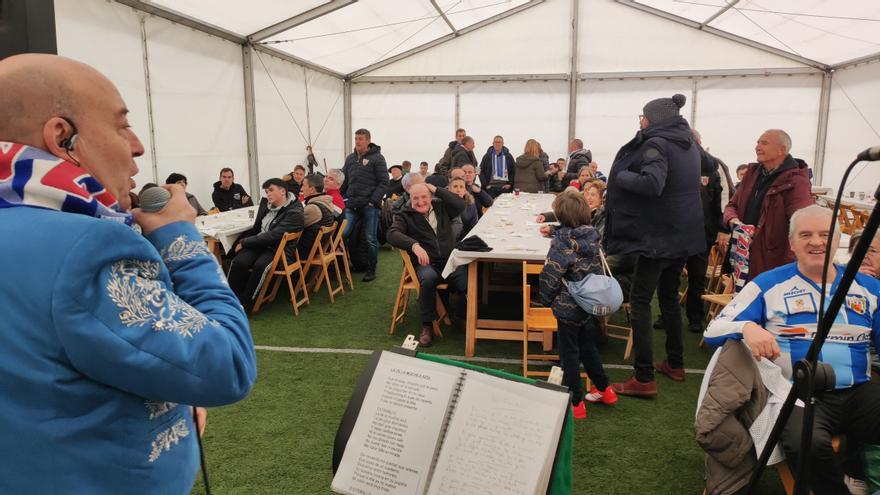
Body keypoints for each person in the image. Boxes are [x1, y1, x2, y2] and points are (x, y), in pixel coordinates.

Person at [0, 54, 256, 494]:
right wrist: (183, 240)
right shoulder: (87, 248)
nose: (137, 145)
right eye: (121, 125)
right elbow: (227, 364)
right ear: (65, 138)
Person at [704, 205, 880, 494]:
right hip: (798, 393)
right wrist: (747, 327)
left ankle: (857, 471)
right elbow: (714, 330)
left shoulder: (868, 287)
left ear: (839, 241)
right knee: (807, 444)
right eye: (806, 234)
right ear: (792, 243)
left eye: (825, 234)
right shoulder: (769, 283)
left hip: (860, 387)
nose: (816, 241)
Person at [605, 93, 704, 397]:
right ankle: (675, 363)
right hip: (683, 235)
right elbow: (711, 167)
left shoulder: (657, 144)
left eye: (643, 116)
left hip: (658, 238)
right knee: (670, 298)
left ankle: (643, 377)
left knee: (640, 301)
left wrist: (621, 175)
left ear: (653, 119)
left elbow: (652, 184)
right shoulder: (687, 143)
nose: (641, 121)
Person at [537, 190, 617, 419]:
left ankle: (575, 402)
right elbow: (574, 235)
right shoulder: (592, 236)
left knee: (569, 354)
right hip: (587, 303)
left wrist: (544, 299)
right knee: (586, 347)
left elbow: (551, 276)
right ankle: (604, 389)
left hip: (566, 305)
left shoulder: (561, 246)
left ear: (561, 217)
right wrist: (553, 230)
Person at [722, 130, 813, 288]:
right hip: (743, 256)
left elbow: (801, 225)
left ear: (781, 150)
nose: (757, 146)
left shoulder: (796, 181)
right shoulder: (752, 174)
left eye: (764, 143)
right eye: (757, 142)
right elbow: (732, 206)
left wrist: (790, 267)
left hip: (770, 262)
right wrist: (733, 221)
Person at [387, 183, 468, 346]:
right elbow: (392, 234)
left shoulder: (441, 206)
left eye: (424, 197)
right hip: (426, 264)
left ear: (431, 197)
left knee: (468, 282)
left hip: (449, 262)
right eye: (415, 198)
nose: (420, 201)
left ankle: (458, 316)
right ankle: (427, 325)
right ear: (410, 199)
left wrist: (436, 188)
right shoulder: (404, 214)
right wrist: (414, 245)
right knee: (428, 278)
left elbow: (460, 204)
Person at [227, 178, 303, 310]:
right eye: (267, 191)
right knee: (239, 261)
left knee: (260, 266)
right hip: (259, 243)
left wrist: (244, 242)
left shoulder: (294, 212)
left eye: (271, 190)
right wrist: (243, 243)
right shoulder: (267, 205)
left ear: (283, 191)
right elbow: (257, 229)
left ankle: (245, 304)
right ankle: (227, 299)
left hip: (276, 248)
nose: (268, 194)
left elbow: (273, 236)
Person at [341, 128, 389, 282]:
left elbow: (384, 182)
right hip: (352, 205)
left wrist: (372, 201)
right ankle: (343, 264)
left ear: (368, 140)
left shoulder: (378, 158)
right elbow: (344, 181)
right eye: (356, 138)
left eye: (360, 139)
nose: (357, 141)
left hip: (369, 205)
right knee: (342, 234)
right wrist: (340, 198)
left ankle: (371, 269)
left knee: (370, 238)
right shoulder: (350, 159)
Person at [298, 174, 337, 260]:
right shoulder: (327, 203)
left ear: (312, 190)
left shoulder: (313, 209)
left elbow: (292, 226)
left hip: (304, 253)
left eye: (304, 185)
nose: (301, 189)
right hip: (318, 249)